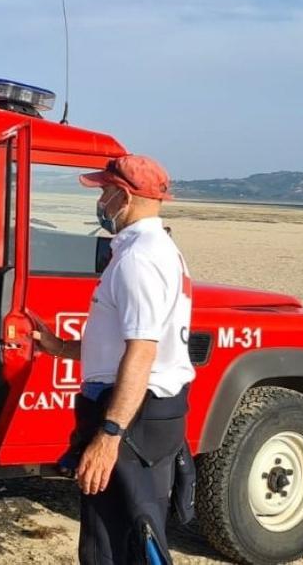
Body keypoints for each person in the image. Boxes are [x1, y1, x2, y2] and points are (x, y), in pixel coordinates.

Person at [33, 154, 194, 565]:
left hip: (131, 419)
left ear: (123, 196)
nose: (101, 200)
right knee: (130, 531)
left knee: (120, 540)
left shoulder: (139, 259)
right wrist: (59, 347)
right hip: (145, 415)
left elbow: (142, 352)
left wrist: (108, 435)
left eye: (104, 191)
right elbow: (125, 343)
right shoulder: (157, 249)